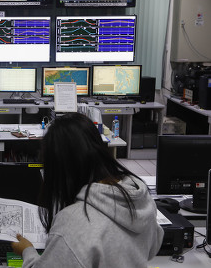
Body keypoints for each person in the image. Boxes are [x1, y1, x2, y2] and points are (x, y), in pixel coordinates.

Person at [11, 112, 163, 268]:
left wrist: (27, 252)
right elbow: (153, 246)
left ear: (58, 167)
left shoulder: (72, 223)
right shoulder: (139, 196)